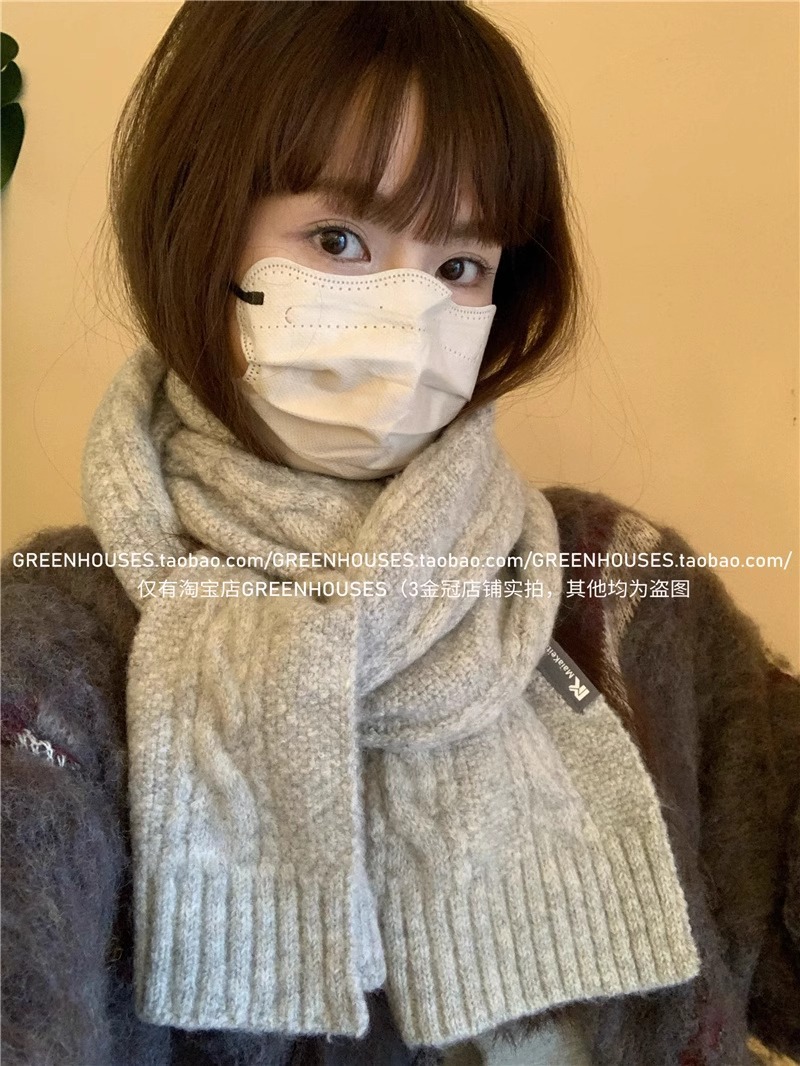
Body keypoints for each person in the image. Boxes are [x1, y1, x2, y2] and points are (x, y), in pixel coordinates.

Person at [1, 3, 798, 1065]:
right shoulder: (54, 657)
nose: (409, 315)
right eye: (339, 239)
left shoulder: (622, 586)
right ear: (199, 231)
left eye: (460, 266)